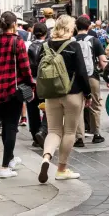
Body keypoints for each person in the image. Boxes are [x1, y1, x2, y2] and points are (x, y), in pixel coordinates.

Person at [37, 15, 91, 183]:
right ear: (70, 28)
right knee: (69, 132)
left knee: (53, 131)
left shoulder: (45, 45)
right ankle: (61, 169)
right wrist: (88, 94)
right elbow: (82, 72)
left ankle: (46, 157)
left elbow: (37, 69)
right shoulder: (74, 46)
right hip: (72, 94)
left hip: (52, 94)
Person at [0, 12, 32, 179]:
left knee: (5, 125)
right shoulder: (17, 42)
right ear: (14, 24)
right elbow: (25, 68)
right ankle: (4, 166)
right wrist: (31, 84)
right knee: (11, 127)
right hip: (13, 90)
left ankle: (10, 159)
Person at [74, 16, 107, 146]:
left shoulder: (71, 41)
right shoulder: (95, 41)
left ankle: (79, 138)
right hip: (92, 76)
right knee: (95, 105)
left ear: (76, 27)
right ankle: (97, 134)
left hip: (76, 79)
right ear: (88, 27)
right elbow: (103, 62)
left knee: (78, 107)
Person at [26, 22, 49, 147]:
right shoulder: (49, 46)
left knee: (32, 108)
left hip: (31, 81)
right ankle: (43, 131)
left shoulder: (28, 45)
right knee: (48, 107)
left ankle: (35, 134)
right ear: (46, 33)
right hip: (45, 81)